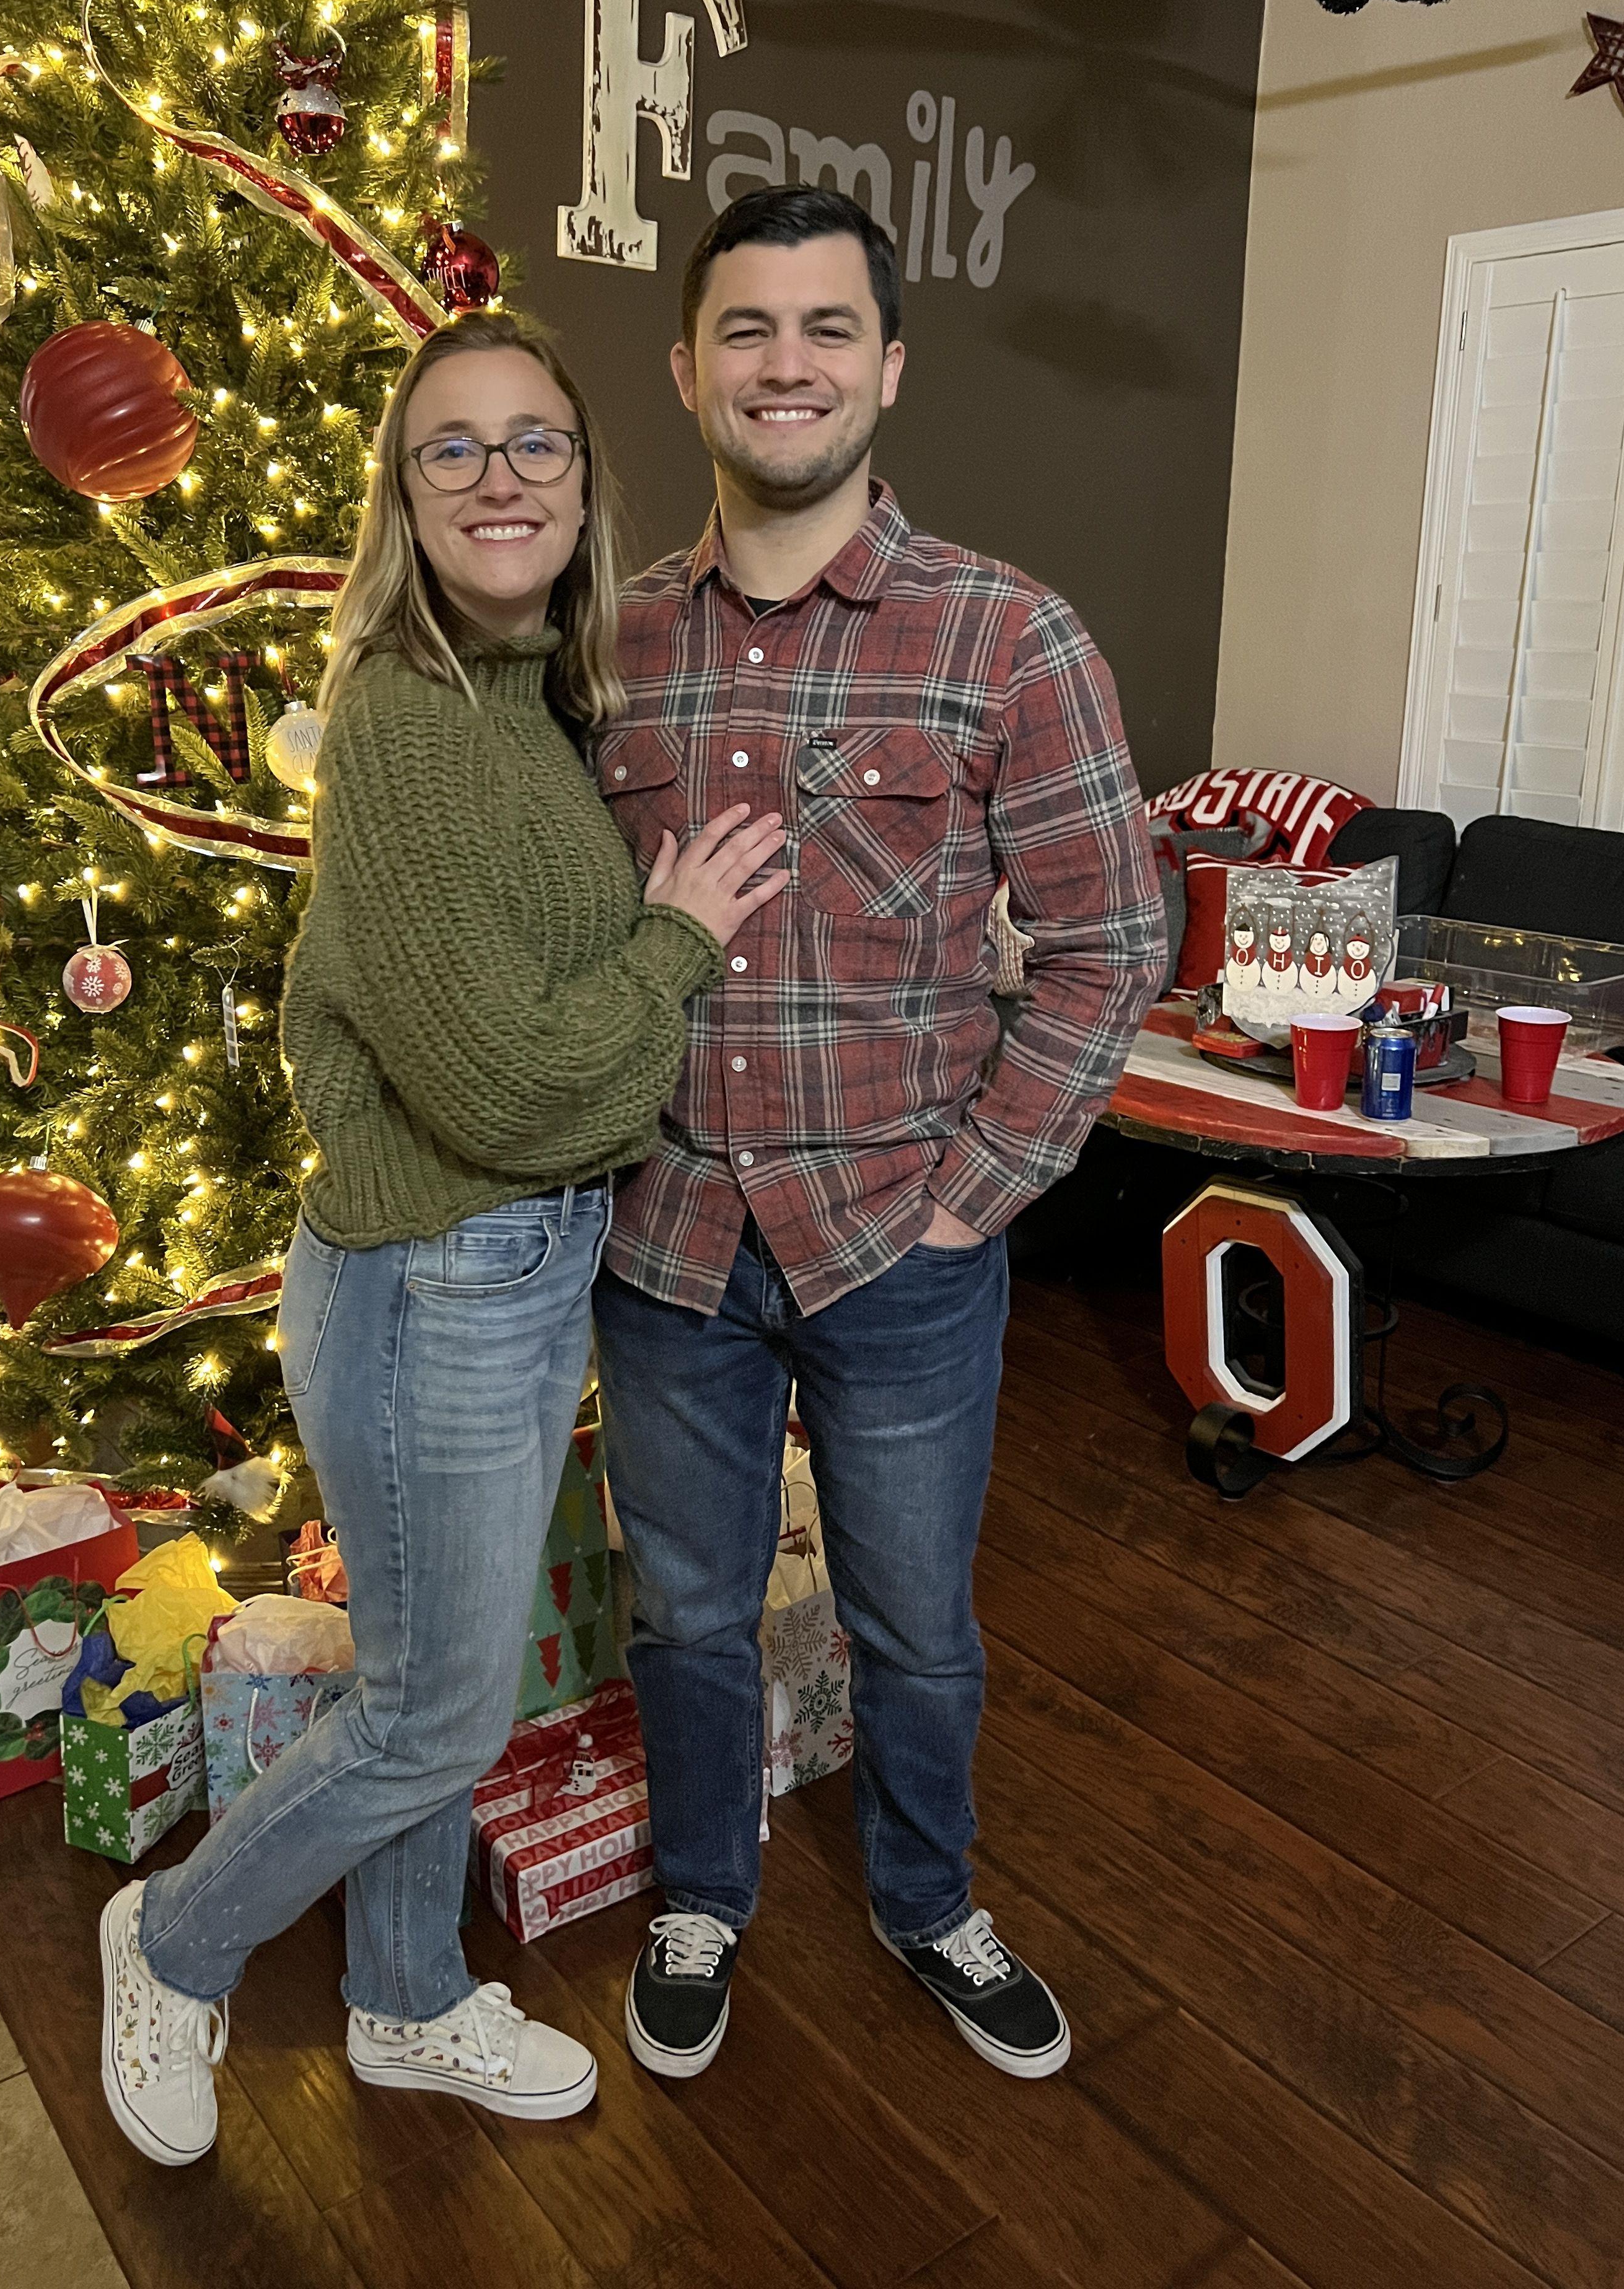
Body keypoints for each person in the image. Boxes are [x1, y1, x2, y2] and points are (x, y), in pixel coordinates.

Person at [95, 309, 788, 2164]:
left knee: (423, 1689)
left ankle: (405, 2000)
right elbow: (501, 1085)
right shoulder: (408, 718)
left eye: (534, 442)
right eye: (452, 449)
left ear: (584, 478)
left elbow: (535, 1038)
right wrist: (676, 946)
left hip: (512, 1267)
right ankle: (170, 1942)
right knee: (434, 1717)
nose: (499, 479)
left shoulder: (525, 696)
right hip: (435, 1280)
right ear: (404, 498)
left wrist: (608, 1005)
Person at [590, 185, 1165, 2084]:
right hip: (665, 1244)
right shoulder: (611, 640)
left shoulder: (1011, 637)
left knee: (914, 1623)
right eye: (747, 329)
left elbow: (1111, 944)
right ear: (688, 370)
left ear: (891, 366)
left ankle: (928, 1899)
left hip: (901, 1248)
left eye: (827, 327)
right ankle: (702, 1889)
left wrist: (971, 1200)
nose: (788, 364)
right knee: (686, 1610)